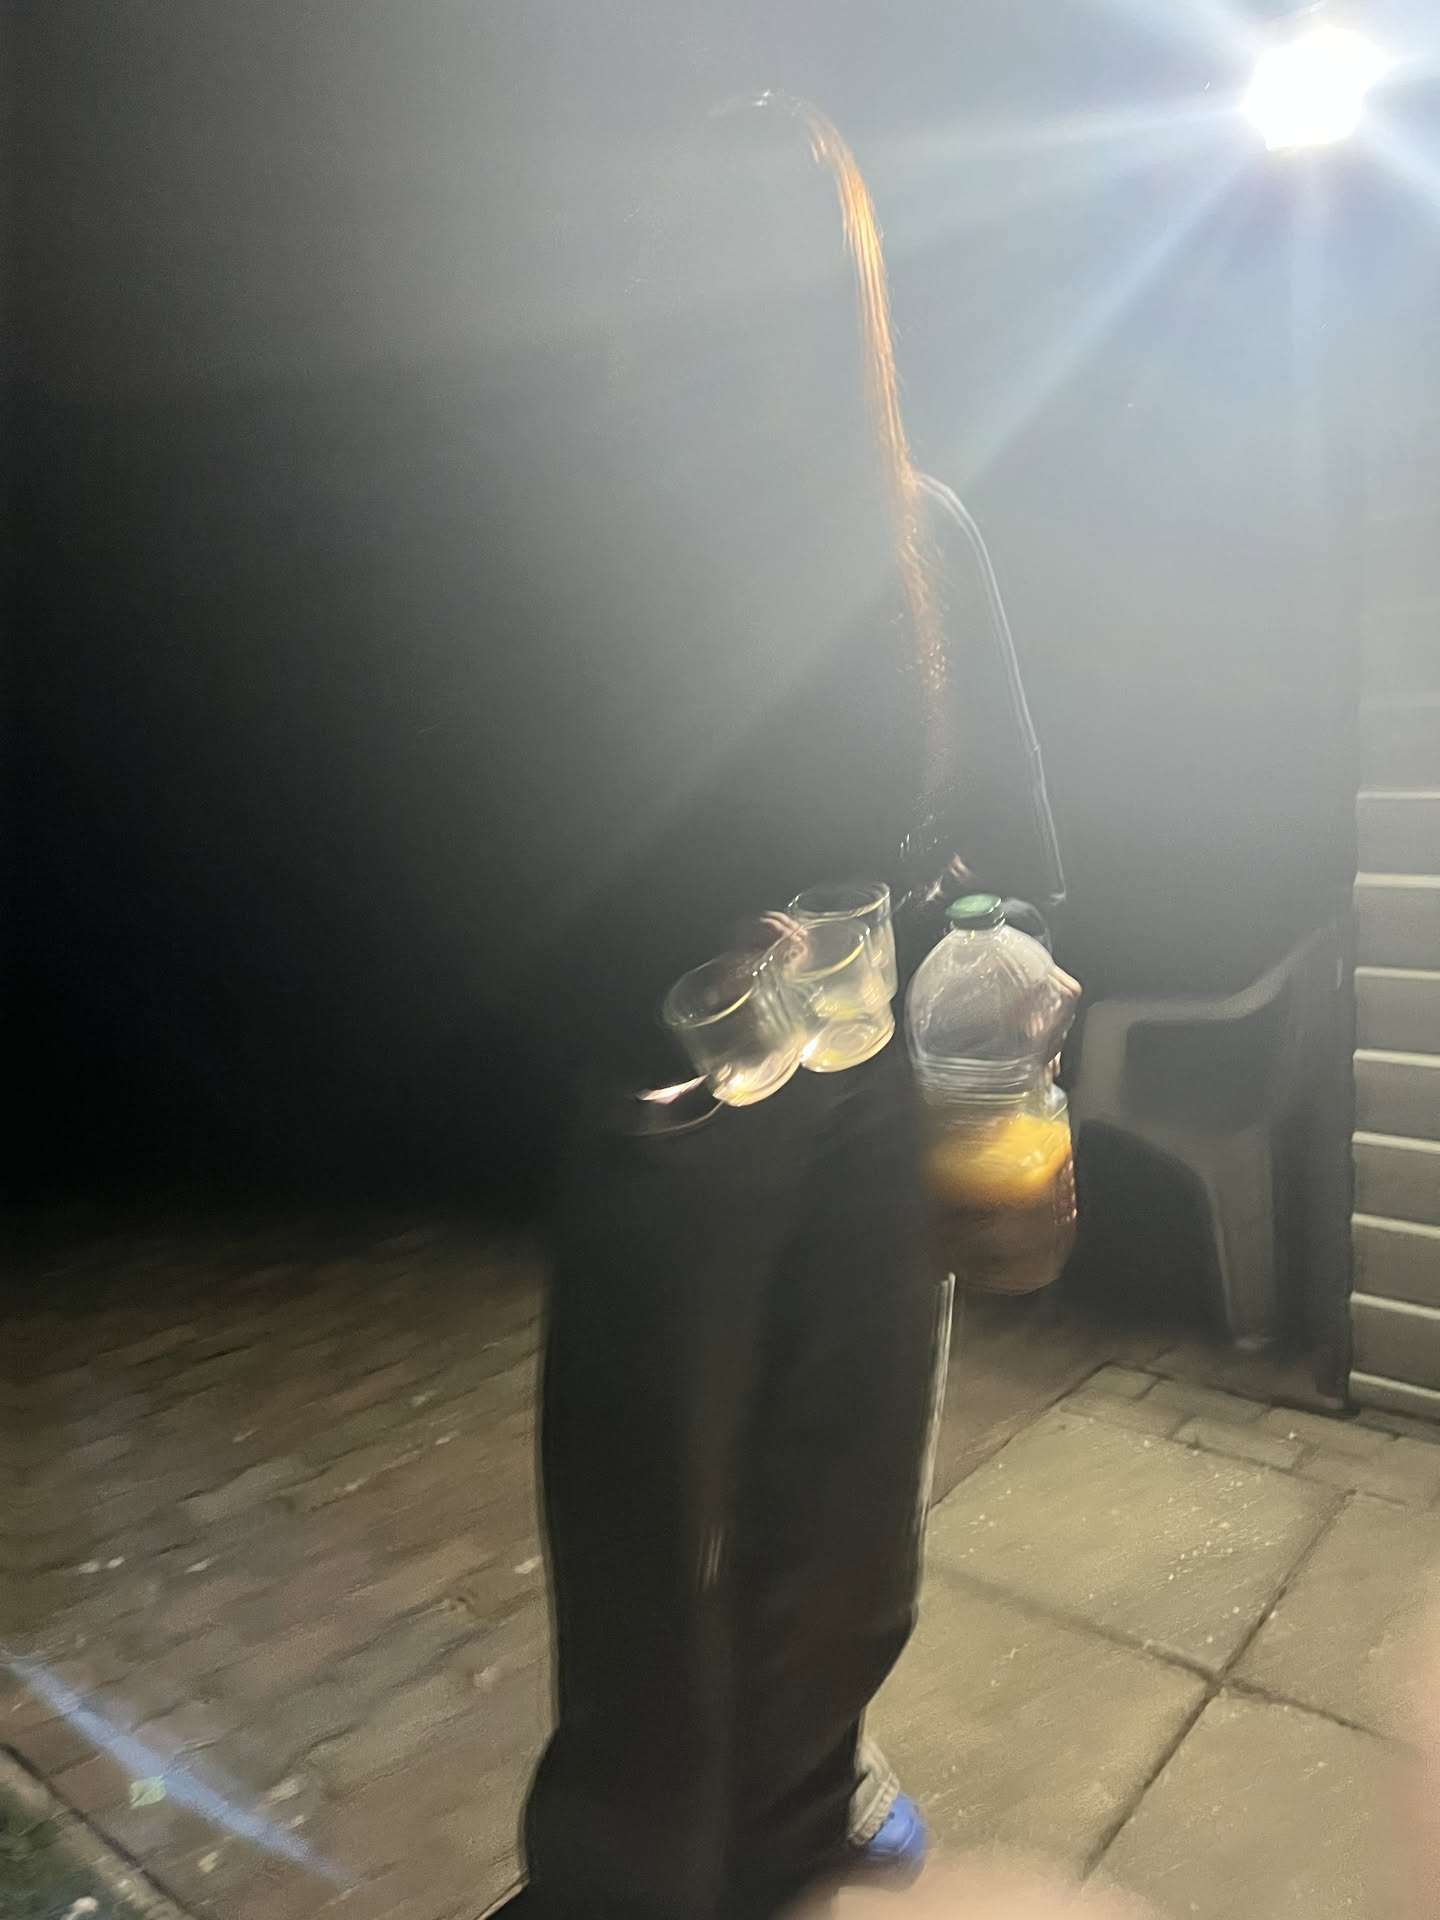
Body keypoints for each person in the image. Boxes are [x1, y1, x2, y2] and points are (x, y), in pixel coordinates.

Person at [506, 93, 1070, 1920]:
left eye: (780, 257)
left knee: (849, 1515)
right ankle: (622, 1877)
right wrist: (666, 928)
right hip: (676, 1084)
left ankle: (798, 1819)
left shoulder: (919, 528)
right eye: (696, 247)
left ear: (845, 292)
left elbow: (1001, 836)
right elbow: (490, 826)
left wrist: (994, 965)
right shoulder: (592, 519)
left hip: (878, 1077)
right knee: (647, 1525)